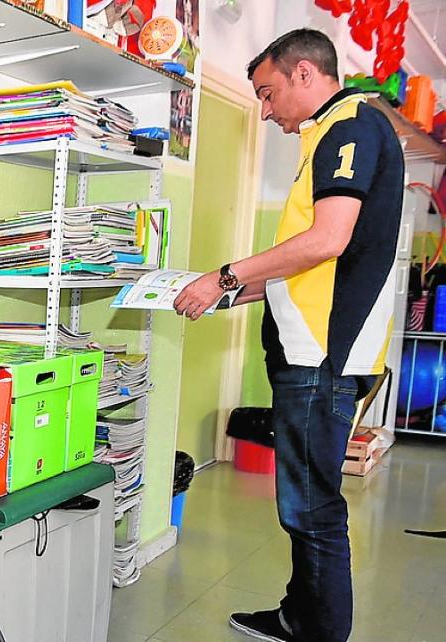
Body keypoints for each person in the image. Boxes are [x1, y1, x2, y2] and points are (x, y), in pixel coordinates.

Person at [173, 29, 403, 642]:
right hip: (318, 350)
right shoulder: (330, 134)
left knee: (310, 506)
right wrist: (224, 293)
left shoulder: (351, 125)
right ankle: (298, 617)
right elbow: (307, 266)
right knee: (305, 504)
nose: (267, 111)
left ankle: (318, 632)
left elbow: (326, 241)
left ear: (306, 73)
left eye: (268, 94)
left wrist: (225, 274)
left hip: (323, 358)